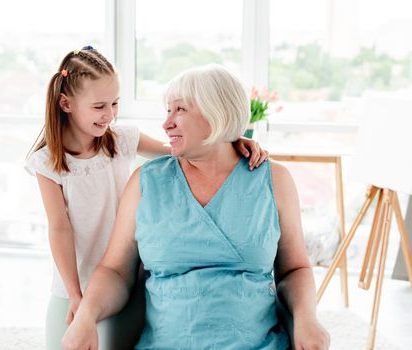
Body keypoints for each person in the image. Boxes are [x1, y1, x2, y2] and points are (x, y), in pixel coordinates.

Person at [62, 64, 331, 350]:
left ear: (216, 113)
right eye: (168, 111)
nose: (167, 124)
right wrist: (86, 315)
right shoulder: (146, 182)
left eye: (180, 110)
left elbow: (294, 269)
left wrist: (307, 318)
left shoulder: (274, 179)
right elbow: (115, 271)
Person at [25, 46, 269, 350]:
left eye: (115, 103)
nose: (110, 114)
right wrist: (76, 296)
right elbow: (59, 228)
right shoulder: (48, 161)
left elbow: (180, 150)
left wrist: (230, 138)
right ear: (66, 103)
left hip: (128, 272)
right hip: (77, 278)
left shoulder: (121, 138)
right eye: (100, 106)